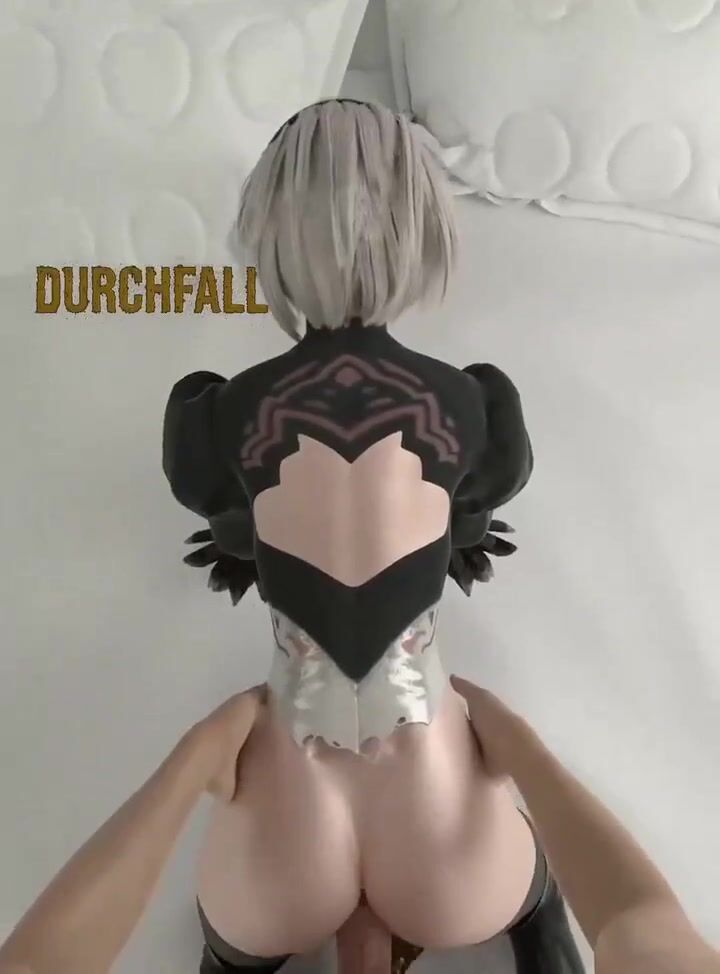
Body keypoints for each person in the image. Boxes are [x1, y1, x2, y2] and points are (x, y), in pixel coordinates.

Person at [1, 678, 717, 974]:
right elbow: (638, 925)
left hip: (270, 897)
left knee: (240, 940)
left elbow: (37, 965)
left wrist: (192, 764)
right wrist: (524, 753)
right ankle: (538, 914)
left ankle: (231, 963)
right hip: (437, 877)